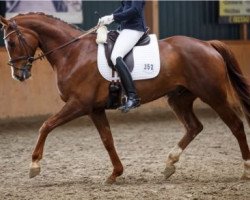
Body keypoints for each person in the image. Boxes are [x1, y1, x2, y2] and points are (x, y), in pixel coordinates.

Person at [99, 0, 147, 112]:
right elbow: (124, 8)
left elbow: (135, 10)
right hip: (124, 29)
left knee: (116, 56)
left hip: (134, 29)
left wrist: (113, 17)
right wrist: (109, 17)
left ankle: (133, 96)